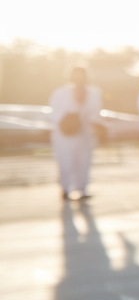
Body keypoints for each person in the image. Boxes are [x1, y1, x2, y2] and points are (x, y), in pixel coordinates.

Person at [48, 67, 102, 200]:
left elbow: (95, 113)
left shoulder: (93, 92)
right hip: (65, 133)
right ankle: (65, 189)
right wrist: (68, 122)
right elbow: (53, 111)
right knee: (65, 161)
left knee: (83, 161)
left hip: (84, 132)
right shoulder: (61, 92)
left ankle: (82, 188)